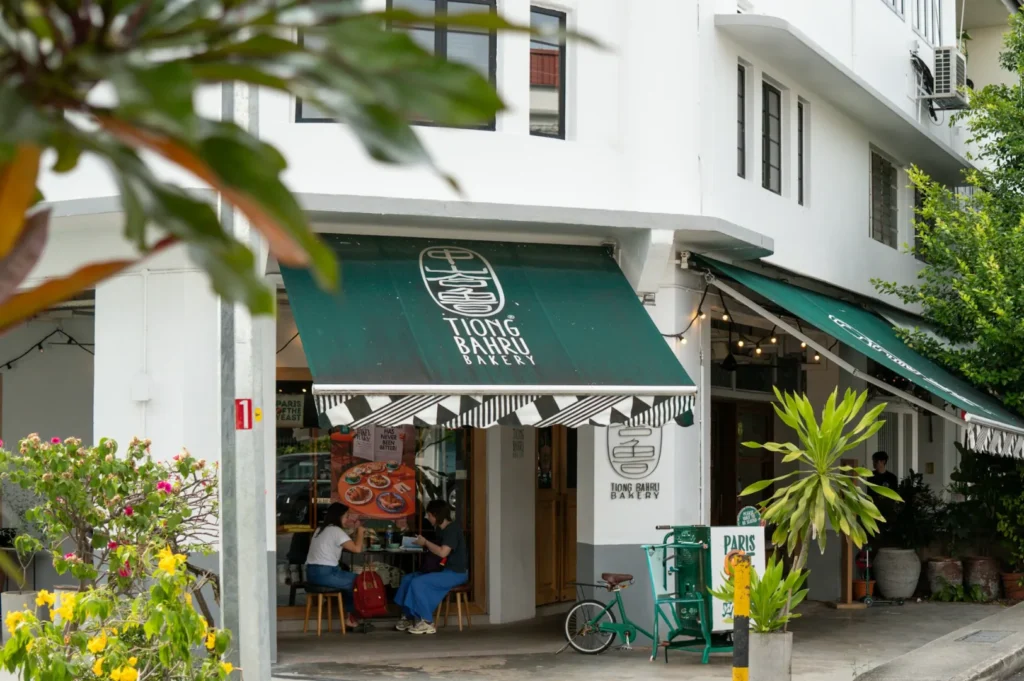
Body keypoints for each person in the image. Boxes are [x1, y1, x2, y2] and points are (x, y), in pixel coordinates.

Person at [394, 500, 469, 635]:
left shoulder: (452, 529)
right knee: (408, 579)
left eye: (429, 514)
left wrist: (426, 543)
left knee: (418, 582)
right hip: (441, 570)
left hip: (455, 573)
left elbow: (442, 552)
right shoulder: (441, 529)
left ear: (436, 514)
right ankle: (409, 617)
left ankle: (427, 622)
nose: (427, 517)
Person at [305, 503, 364, 629]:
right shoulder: (336, 531)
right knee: (358, 581)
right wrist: (360, 532)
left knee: (350, 580)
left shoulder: (321, 529)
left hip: (312, 573)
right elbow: (357, 549)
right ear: (339, 516)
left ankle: (350, 616)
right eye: (346, 516)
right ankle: (351, 617)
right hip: (325, 573)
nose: (347, 519)